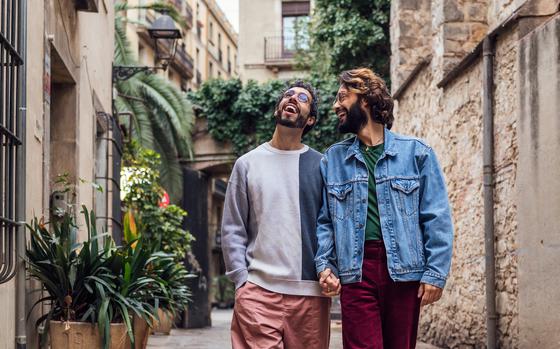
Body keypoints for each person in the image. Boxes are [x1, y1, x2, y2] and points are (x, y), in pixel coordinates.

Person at [315, 68, 454, 349]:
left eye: (343, 96)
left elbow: (436, 216)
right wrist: (325, 265)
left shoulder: (417, 153)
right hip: (356, 270)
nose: (335, 105)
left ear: (364, 99)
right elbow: (325, 221)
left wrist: (435, 273)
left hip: (404, 270)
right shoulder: (333, 160)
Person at [221, 80, 330, 349]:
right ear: (277, 109)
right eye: (288, 95)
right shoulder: (247, 163)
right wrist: (241, 280)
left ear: (311, 120)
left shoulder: (323, 165)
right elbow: (233, 225)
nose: (292, 98)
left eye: (302, 98)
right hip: (257, 291)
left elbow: (331, 223)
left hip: (310, 295)